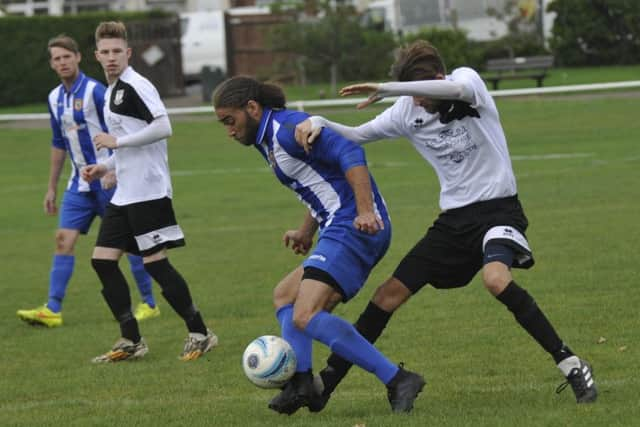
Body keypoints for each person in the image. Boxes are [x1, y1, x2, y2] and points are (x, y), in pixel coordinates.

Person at [295, 40, 597, 407]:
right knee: (386, 296)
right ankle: (326, 384)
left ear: (435, 77)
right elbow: (358, 134)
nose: (417, 103)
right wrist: (318, 121)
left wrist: (390, 89)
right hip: (453, 223)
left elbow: (453, 89)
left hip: (499, 211)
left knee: (496, 280)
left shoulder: (467, 82)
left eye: (420, 94)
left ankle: (570, 362)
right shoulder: (406, 111)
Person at [213, 76, 425, 414]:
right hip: (337, 224)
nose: (228, 130)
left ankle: (398, 379)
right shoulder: (264, 138)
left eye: (230, 120)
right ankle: (301, 382)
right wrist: (305, 231)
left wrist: (366, 211)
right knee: (285, 295)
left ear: (252, 108)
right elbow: (318, 181)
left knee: (305, 314)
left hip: (355, 225)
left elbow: (350, 152)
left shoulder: (287, 128)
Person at [81, 21, 217, 362]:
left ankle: (200, 332)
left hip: (149, 191)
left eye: (117, 52)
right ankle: (131, 340)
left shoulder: (137, 84)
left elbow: (163, 126)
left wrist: (117, 142)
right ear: (96, 56)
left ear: (128, 53)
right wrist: (108, 166)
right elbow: (130, 140)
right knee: (102, 261)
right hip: (125, 192)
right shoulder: (112, 90)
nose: (111, 58)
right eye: (105, 52)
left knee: (156, 264)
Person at [17, 35, 159, 329]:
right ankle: (52, 309)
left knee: (131, 245)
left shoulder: (97, 91)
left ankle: (149, 303)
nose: (63, 62)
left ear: (79, 57)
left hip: (109, 181)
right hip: (78, 185)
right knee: (62, 240)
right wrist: (51, 187)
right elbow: (58, 143)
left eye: (67, 56)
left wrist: (112, 169)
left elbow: (117, 130)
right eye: (57, 58)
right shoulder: (54, 98)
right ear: (52, 64)